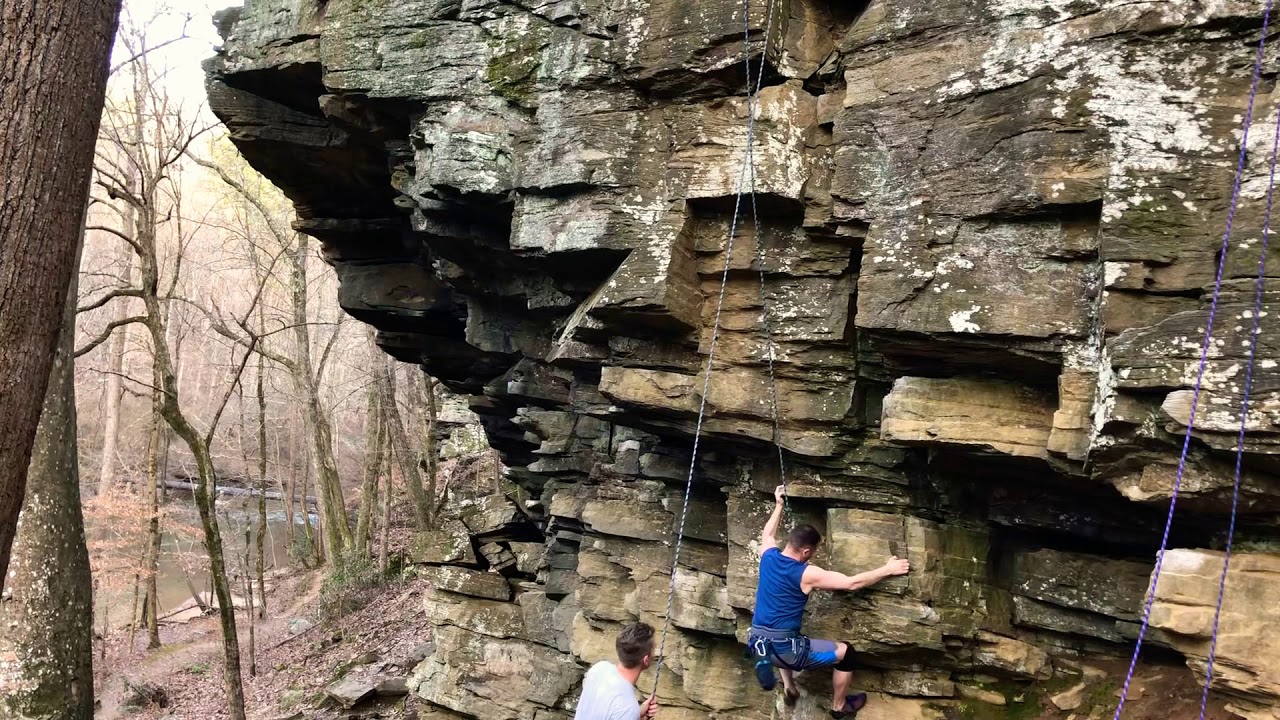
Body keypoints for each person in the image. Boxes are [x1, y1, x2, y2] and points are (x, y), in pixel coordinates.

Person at [748, 485, 911, 719]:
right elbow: (851, 583)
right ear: (805, 552)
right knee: (847, 652)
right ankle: (839, 707)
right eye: (813, 551)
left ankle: (789, 687)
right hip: (786, 651)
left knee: (786, 635)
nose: (813, 555)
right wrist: (888, 569)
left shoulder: (768, 556)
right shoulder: (806, 574)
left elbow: (768, 535)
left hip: (758, 643)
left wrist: (779, 505)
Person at [574, 622, 660, 720]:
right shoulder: (628, 708)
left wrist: (638, 715)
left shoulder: (599, 668)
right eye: (653, 649)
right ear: (645, 660)